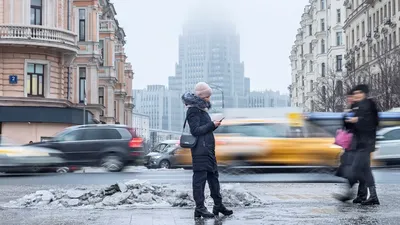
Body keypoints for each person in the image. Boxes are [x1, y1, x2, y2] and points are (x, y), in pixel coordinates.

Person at [181, 82, 233, 218]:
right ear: (202, 96)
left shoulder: (201, 109)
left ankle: (218, 205)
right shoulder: (193, 110)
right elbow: (196, 131)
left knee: (213, 178)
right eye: (207, 96)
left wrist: (214, 125)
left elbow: (205, 129)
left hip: (208, 150)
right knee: (200, 180)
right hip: (200, 151)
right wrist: (211, 124)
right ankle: (200, 208)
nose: (209, 99)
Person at [336, 84, 380, 205]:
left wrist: (358, 120)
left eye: (359, 93)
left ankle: (350, 194)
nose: (356, 95)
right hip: (358, 143)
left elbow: (373, 123)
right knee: (365, 170)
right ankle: (369, 196)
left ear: (364, 93)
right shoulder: (355, 106)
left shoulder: (369, 105)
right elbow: (350, 127)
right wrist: (348, 118)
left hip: (366, 143)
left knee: (356, 168)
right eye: (355, 93)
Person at [334, 89, 367, 204]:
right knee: (352, 170)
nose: (349, 99)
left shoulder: (361, 109)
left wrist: (352, 120)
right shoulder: (352, 109)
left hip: (358, 145)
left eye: (351, 97)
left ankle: (357, 195)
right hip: (351, 145)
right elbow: (346, 126)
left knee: (356, 171)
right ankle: (357, 194)